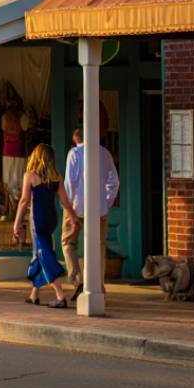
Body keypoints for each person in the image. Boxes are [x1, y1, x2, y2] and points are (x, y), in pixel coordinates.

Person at [12, 143, 77, 308]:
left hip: (38, 220)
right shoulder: (56, 177)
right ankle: (34, 295)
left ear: (35, 157)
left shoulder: (30, 176)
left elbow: (24, 201)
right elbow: (64, 202)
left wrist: (16, 223)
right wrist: (73, 218)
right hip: (51, 219)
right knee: (38, 253)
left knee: (43, 254)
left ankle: (60, 296)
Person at [62, 127, 120, 300]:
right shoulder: (105, 153)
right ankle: (98, 289)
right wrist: (106, 201)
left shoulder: (74, 154)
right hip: (99, 210)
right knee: (98, 249)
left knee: (68, 243)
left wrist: (68, 209)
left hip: (77, 208)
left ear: (76, 139)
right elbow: (114, 182)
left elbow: (69, 184)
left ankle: (78, 279)